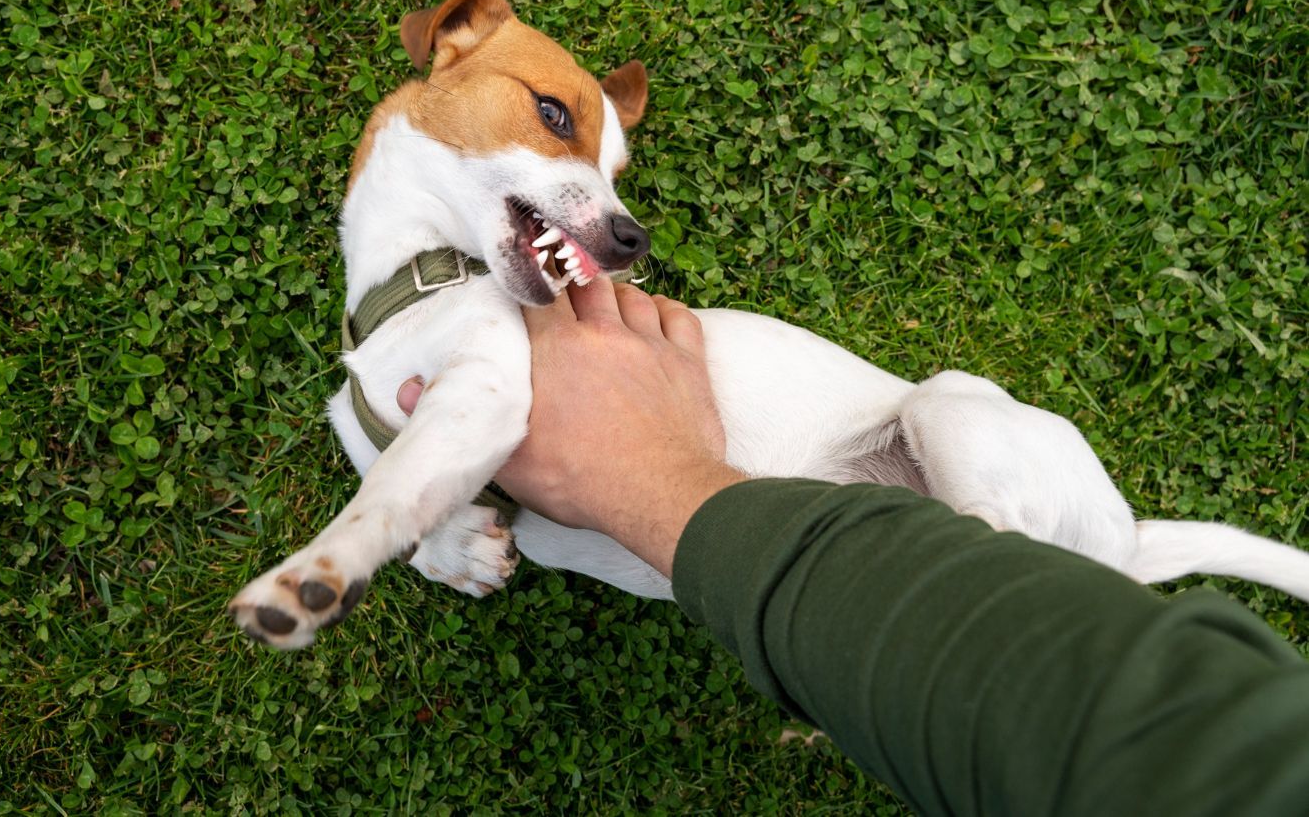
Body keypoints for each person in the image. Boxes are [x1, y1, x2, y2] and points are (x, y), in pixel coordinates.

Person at [397, 279, 1309, 816]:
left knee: (946, 404)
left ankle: (946, 577)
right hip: (912, 576)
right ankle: (923, 607)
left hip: (964, 535)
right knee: (944, 411)